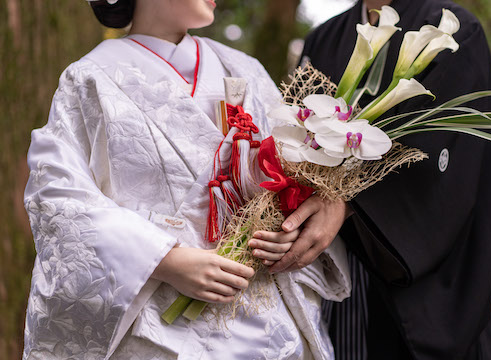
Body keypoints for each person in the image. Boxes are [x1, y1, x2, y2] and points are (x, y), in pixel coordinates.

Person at [22, 0, 352, 359]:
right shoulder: (91, 75)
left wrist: (290, 227)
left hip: (263, 311)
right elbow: (56, 195)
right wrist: (165, 260)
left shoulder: (244, 68)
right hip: (158, 321)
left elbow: (293, 173)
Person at [251, 0, 491, 359]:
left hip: (400, 255)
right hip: (333, 258)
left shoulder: (456, 28)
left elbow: (448, 155)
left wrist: (347, 202)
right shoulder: (323, 37)